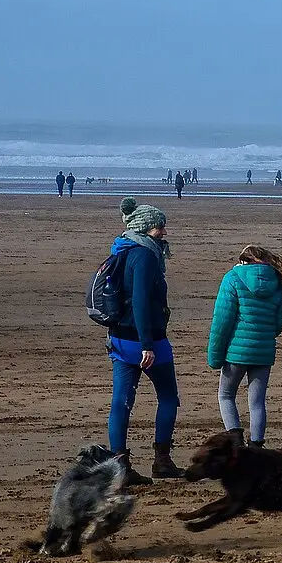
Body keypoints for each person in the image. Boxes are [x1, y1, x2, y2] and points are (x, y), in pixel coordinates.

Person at [105, 199, 182, 483]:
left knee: (121, 401)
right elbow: (138, 300)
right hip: (145, 341)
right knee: (168, 397)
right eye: (159, 227)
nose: (164, 232)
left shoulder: (121, 249)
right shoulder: (145, 256)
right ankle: (162, 461)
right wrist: (148, 344)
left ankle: (120, 469)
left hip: (118, 338)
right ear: (146, 228)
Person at [206, 245, 282, 446]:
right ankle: (256, 445)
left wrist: (215, 356)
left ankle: (236, 441)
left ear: (243, 260)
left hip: (236, 351)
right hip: (263, 351)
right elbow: (279, 323)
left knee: (226, 395)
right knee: (257, 402)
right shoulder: (277, 283)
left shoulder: (233, 278)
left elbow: (222, 322)